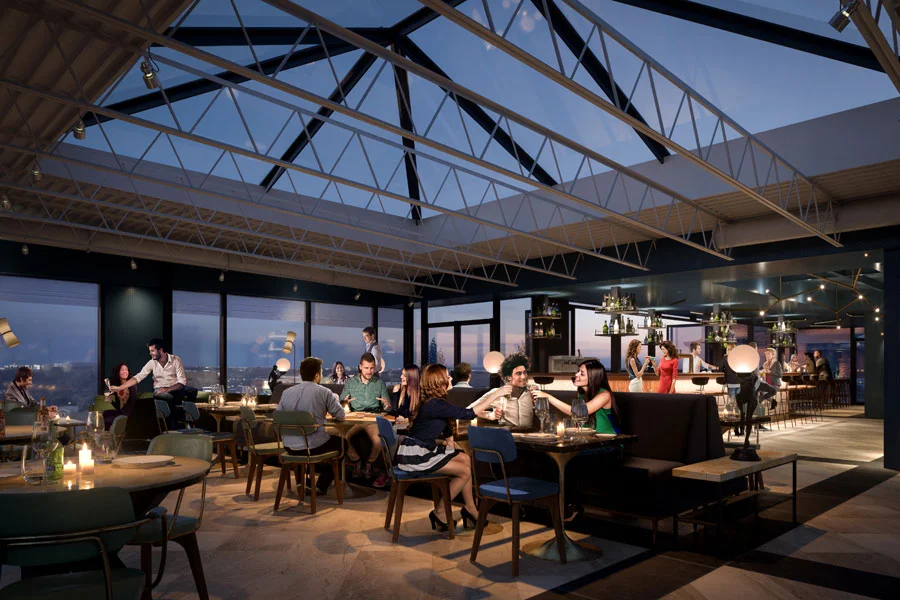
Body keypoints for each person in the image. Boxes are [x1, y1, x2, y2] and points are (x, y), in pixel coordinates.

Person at [395, 364, 501, 532]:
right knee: (464, 472)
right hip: (416, 454)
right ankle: (439, 511)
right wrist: (496, 394)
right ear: (439, 382)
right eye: (447, 376)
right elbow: (468, 414)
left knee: (465, 459)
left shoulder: (436, 403)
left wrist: (452, 444)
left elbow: (446, 427)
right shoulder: (434, 404)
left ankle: (470, 508)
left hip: (420, 449)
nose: (451, 378)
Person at [533, 359, 622, 519]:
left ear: (593, 376)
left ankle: (570, 505)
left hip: (610, 446)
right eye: (577, 371)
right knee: (549, 457)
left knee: (568, 459)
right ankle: (556, 503)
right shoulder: (582, 394)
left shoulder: (604, 394)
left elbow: (579, 412)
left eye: (582, 373)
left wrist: (548, 397)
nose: (576, 375)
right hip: (590, 444)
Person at [276, 356, 346, 495]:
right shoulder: (324, 392)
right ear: (317, 375)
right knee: (342, 444)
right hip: (312, 448)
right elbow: (341, 415)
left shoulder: (286, 393)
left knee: (304, 442)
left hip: (288, 446)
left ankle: (302, 482)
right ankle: (321, 485)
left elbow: (278, 418)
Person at [110, 338, 196, 429]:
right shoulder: (152, 363)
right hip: (159, 390)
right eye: (150, 351)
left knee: (192, 391)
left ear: (161, 350)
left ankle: (186, 416)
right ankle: (173, 426)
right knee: (167, 397)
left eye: (152, 351)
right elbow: (139, 377)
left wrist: (167, 389)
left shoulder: (176, 360)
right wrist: (120, 388)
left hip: (175, 388)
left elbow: (182, 382)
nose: (150, 353)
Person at [339, 352, 389, 480]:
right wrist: (345, 403)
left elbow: (387, 408)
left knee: (378, 441)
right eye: (366, 368)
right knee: (342, 437)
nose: (369, 371)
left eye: (372, 368)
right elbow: (340, 402)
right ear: (360, 367)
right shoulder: (351, 382)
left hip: (372, 418)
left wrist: (386, 405)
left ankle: (369, 463)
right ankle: (356, 461)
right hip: (355, 417)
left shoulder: (380, 383)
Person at [473, 353, 534, 427]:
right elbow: (470, 410)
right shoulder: (497, 393)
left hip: (530, 433)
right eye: (518, 373)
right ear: (509, 377)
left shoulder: (532, 393)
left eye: (525, 372)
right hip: (506, 433)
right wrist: (490, 415)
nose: (523, 376)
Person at [102, 362, 137, 430]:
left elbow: (133, 402)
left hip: (130, 412)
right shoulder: (117, 387)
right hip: (122, 411)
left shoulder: (131, 384)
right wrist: (111, 401)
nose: (125, 371)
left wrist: (123, 413)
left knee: (108, 419)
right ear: (118, 372)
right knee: (105, 413)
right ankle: (108, 434)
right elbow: (118, 407)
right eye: (122, 370)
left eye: (126, 369)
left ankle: (109, 434)